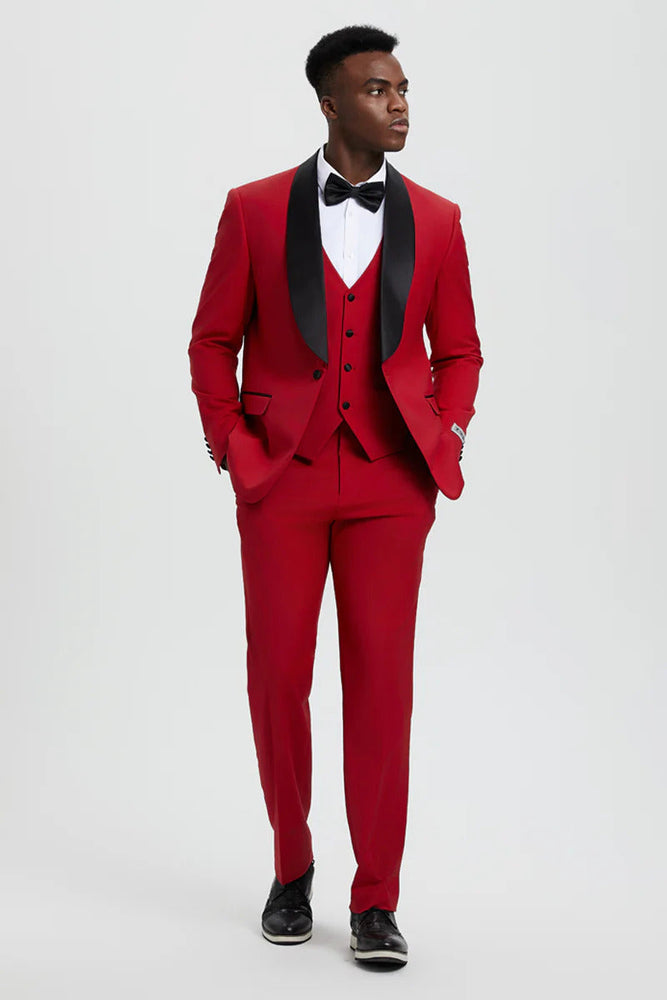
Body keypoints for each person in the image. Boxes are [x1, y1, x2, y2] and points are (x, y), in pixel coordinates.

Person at [188, 23, 483, 968]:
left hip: (392, 482)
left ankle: (376, 901)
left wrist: (445, 433)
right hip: (282, 476)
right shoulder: (251, 209)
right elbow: (211, 340)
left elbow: (459, 350)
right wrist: (231, 445)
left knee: (381, 688)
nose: (399, 105)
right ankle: (290, 868)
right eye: (377, 90)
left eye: (403, 89)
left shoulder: (437, 219)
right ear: (328, 102)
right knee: (277, 679)